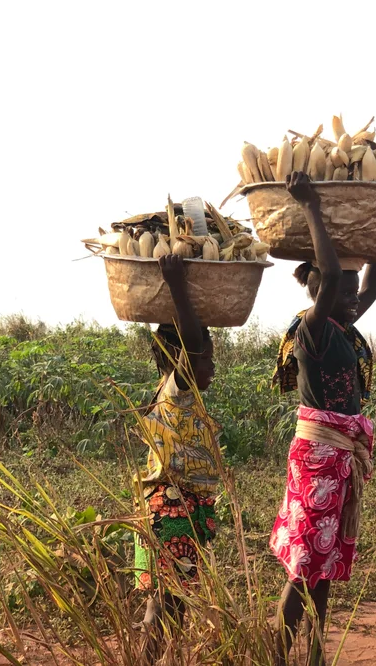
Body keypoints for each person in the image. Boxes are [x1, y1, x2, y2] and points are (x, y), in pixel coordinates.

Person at [269, 172, 376, 666]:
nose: (353, 298)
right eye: (343, 292)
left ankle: (315, 655)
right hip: (318, 458)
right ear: (320, 294)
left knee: (325, 563)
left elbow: (370, 283)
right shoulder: (312, 332)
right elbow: (334, 276)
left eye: (354, 293)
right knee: (303, 568)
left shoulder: (345, 329)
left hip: (339, 458)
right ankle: (272, 655)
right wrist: (311, 206)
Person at [134, 254, 221, 629]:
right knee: (163, 606)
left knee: (173, 604)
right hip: (171, 513)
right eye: (207, 360)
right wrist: (176, 285)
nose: (211, 367)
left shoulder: (170, 394)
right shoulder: (177, 389)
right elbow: (193, 347)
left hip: (176, 513)